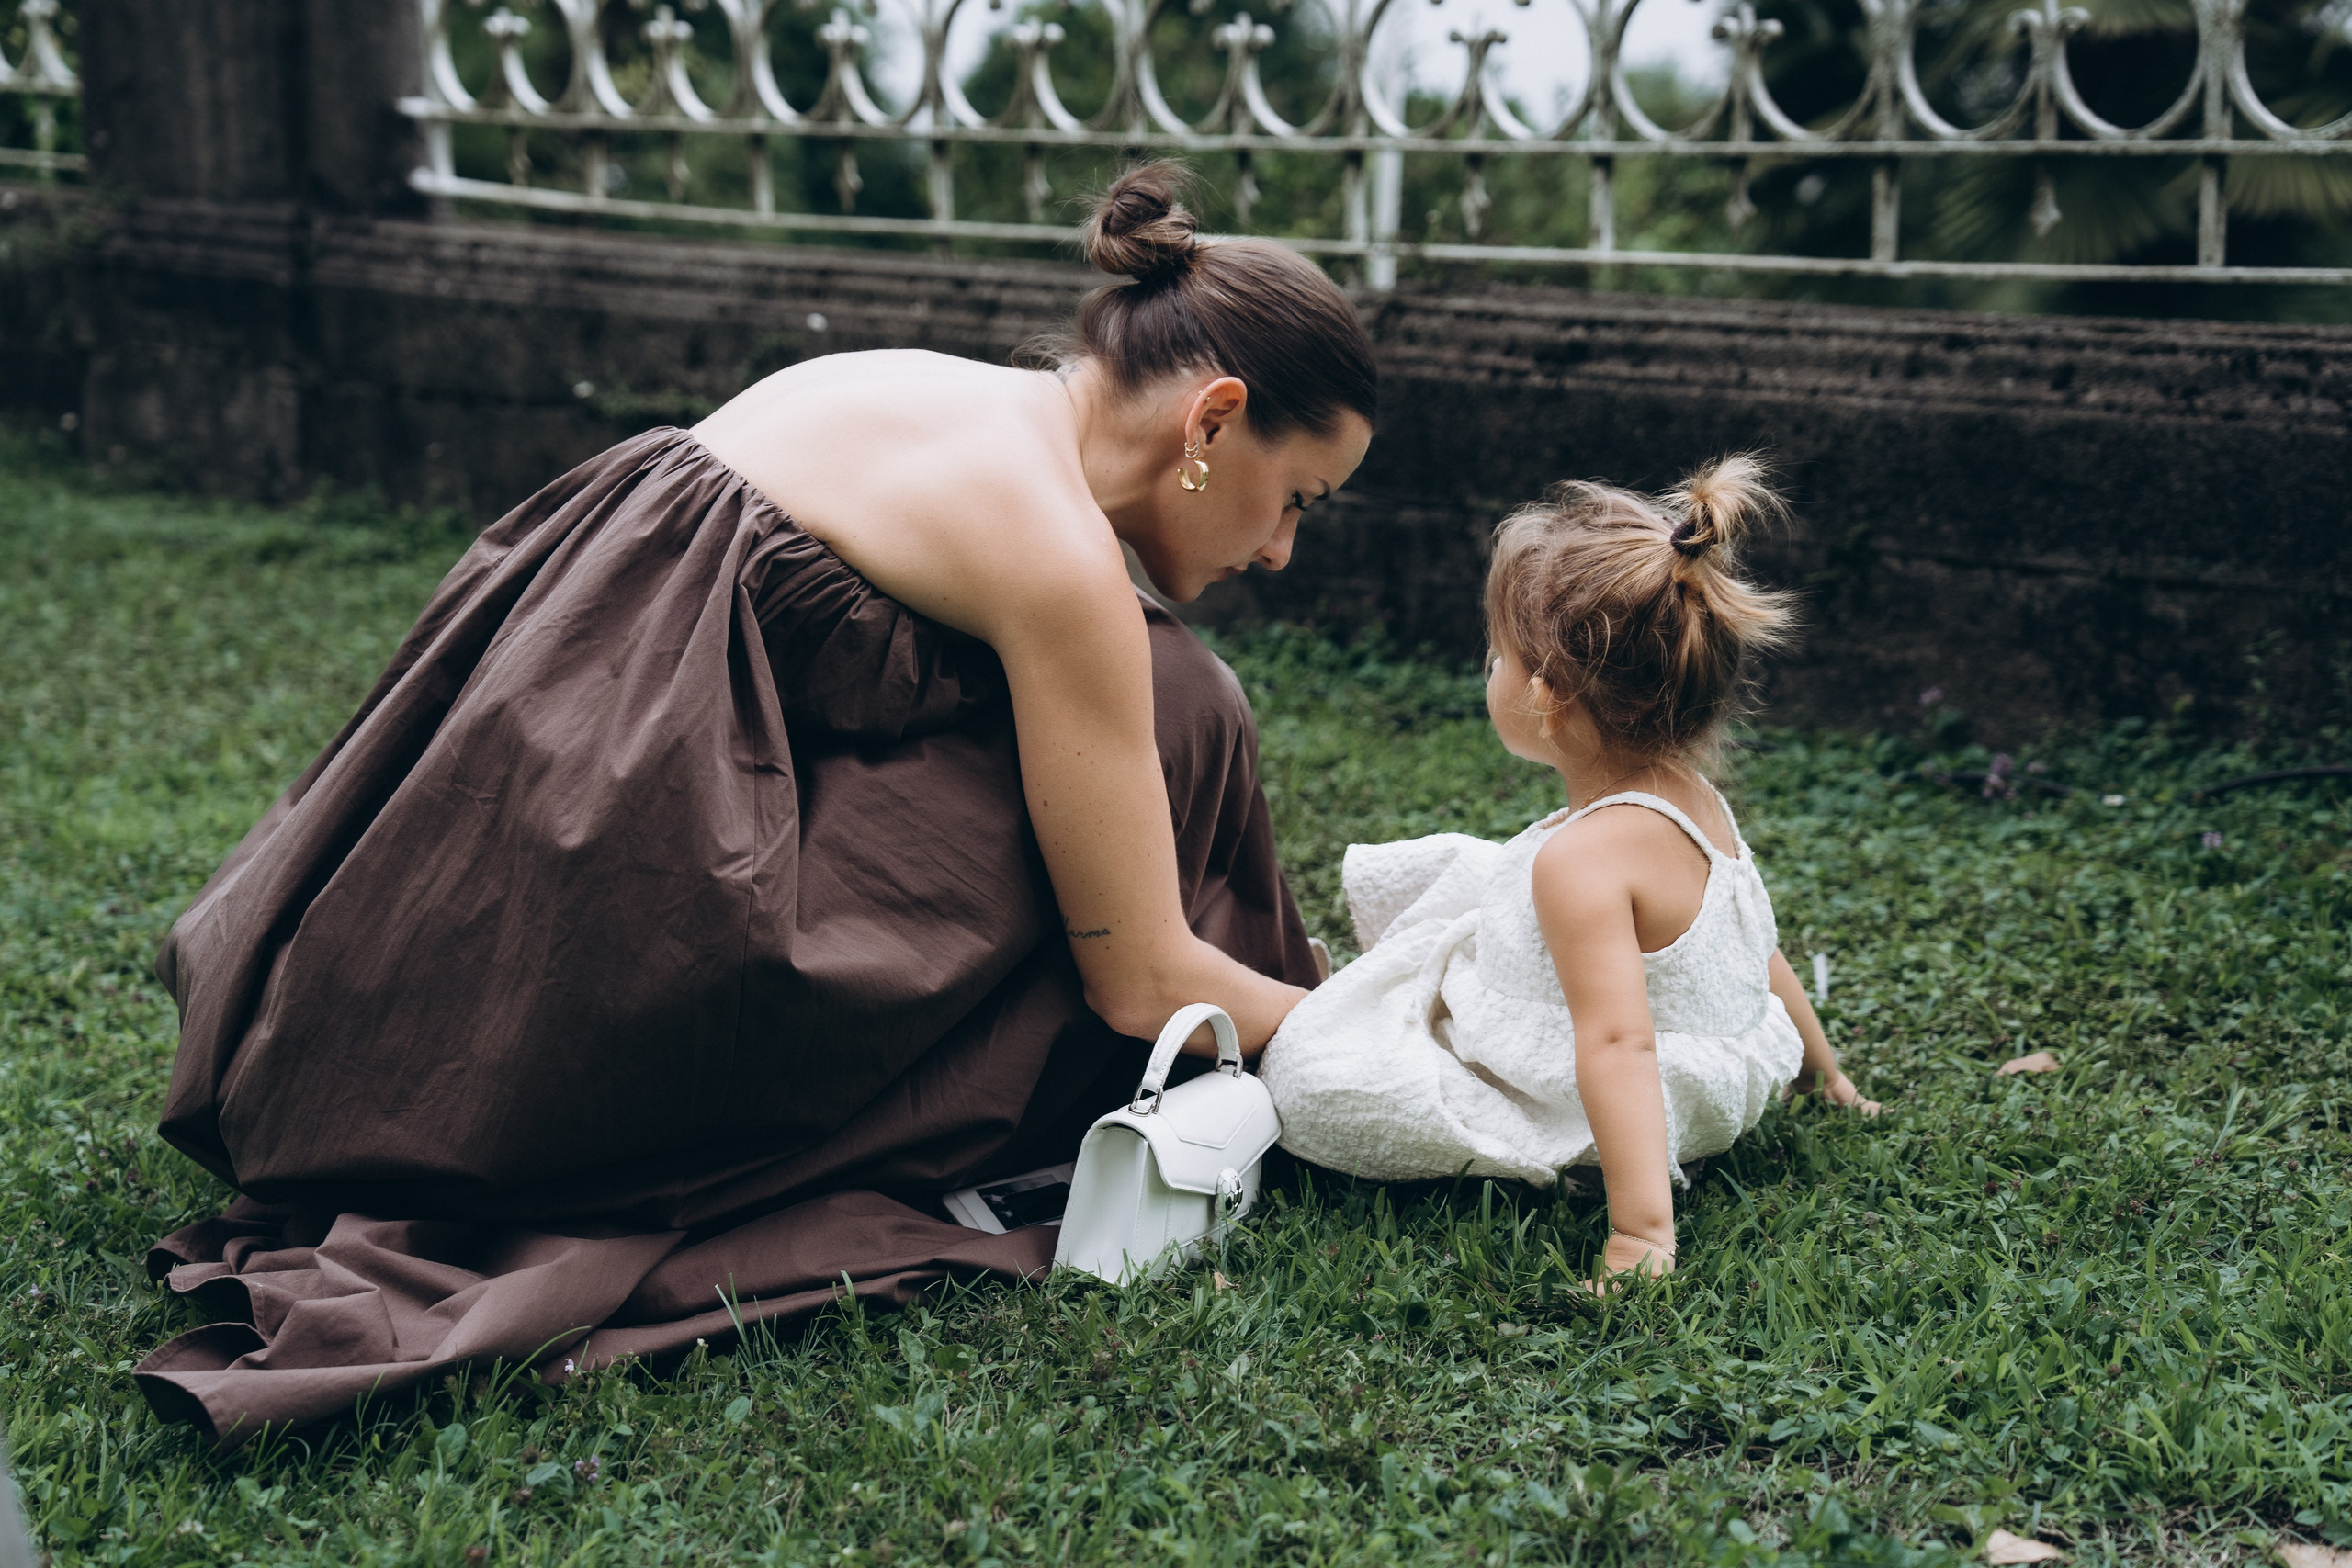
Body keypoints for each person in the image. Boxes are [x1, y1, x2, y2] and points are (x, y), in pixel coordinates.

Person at [133, 162, 1375, 1445]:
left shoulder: (945, 393)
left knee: (1170, 690)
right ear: (1213, 420)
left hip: (441, 896)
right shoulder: (1057, 558)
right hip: (589, 935)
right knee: (1180, 706)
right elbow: (1140, 980)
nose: (1280, 549)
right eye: (1298, 499)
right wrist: (1365, 1029)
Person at [1260, 456, 1877, 1288]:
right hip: (1723, 1074)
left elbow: (1618, 1043)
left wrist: (1642, 1234)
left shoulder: (1579, 862)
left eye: (1497, 656)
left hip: (1619, 1102)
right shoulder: (1699, 804)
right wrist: (1822, 1073)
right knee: (1473, 876)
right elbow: (1755, 949)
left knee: (1313, 1071)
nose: (1489, 670)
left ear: (1547, 696)